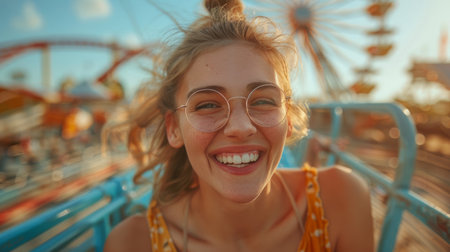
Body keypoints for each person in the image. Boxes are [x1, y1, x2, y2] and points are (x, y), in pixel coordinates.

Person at [104, 0, 374, 251]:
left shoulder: (342, 200)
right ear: (174, 128)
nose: (241, 127)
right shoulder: (133, 242)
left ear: (288, 118)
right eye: (208, 105)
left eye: (263, 101)